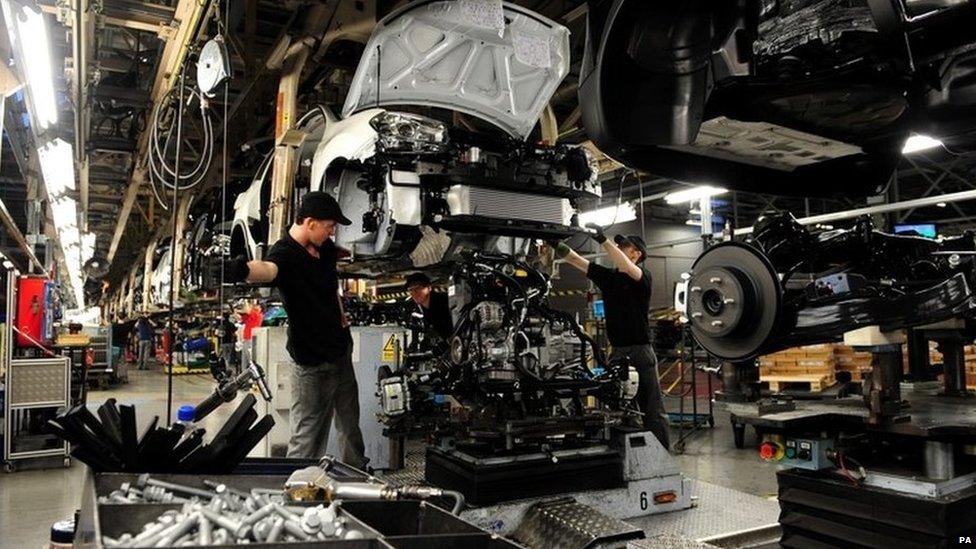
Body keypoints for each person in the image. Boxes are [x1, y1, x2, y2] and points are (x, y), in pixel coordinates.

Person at [227, 191, 367, 466]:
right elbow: (268, 269)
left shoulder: (325, 249)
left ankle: (358, 476)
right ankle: (295, 486)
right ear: (311, 223)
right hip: (310, 362)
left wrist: (341, 317)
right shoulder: (285, 253)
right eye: (329, 226)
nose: (332, 231)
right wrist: (243, 270)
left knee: (350, 427)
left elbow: (331, 288)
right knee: (307, 438)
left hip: (339, 351)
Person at [553, 225, 670, 449]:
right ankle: (632, 455)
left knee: (652, 409)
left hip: (640, 352)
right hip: (617, 352)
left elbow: (625, 266)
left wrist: (602, 239)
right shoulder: (608, 278)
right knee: (623, 409)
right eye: (620, 245)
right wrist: (553, 242)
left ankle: (664, 457)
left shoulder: (642, 276)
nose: (620, 248)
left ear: (637, 254)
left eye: (625, 246)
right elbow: (577, 260)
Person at [405, 272, 453, 346]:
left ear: (429, 288)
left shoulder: (443, 302)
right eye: (411, 290)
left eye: (418, 288)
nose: (414, 293)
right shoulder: (420, 307)